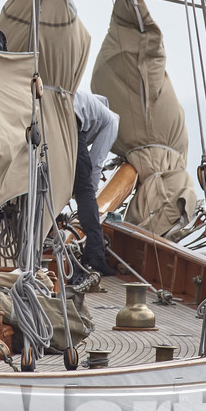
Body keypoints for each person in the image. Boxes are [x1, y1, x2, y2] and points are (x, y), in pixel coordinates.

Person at [72, 89, 120, 278]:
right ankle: (96, 256)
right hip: (71, 124)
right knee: (85, 192)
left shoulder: (88, 105)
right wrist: (88, 195)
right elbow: (97, 161)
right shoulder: (112, 120)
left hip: (47, 116)